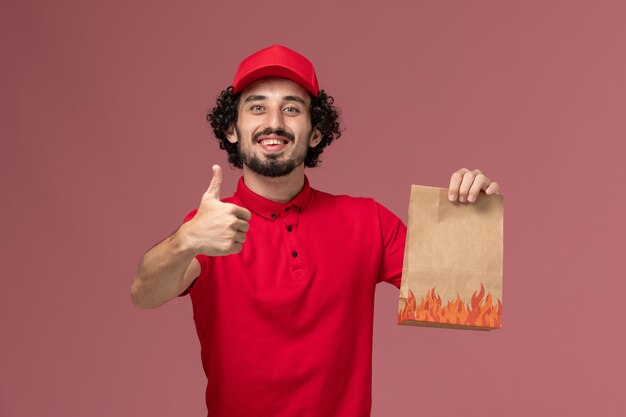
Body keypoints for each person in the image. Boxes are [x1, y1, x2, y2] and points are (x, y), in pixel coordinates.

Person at [131, 45, 500, 417]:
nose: (273, 122)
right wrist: (187, 239)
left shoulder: (365, 220)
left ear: (316, 133)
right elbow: (144, 295)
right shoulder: (210, 226)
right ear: (232, 128)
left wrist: (474, 214)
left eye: (291, 108)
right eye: (257, 107)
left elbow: (466, 301)